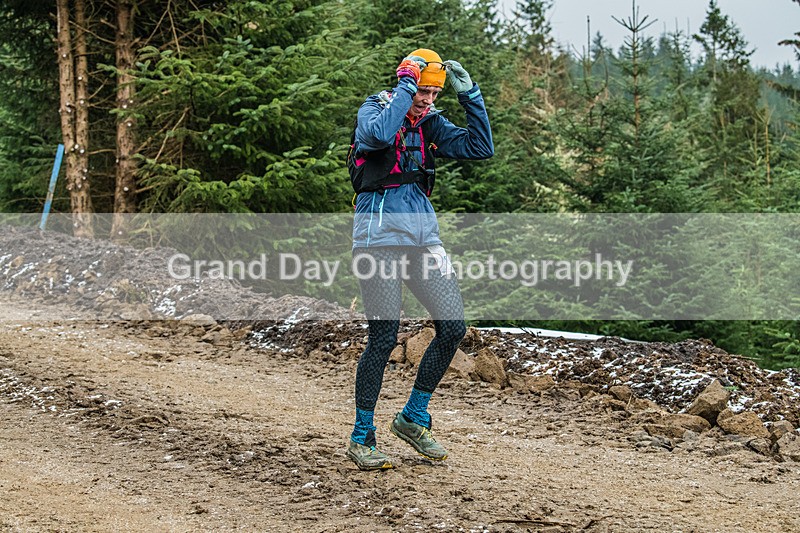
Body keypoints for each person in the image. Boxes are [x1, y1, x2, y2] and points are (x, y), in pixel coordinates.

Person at [345, 48, 494, 470]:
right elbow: (375, 137)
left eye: (433, 92)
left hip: (423, 240)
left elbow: (480, 147)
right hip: (376, 241)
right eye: (421, 91)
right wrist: (406, 86)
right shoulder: (375, 109)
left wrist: (471, 96)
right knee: (384, 335)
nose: (427, 100)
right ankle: (362, 435)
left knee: (452, 326)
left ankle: (412, 417)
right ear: (407, 83)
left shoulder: (431, 123)